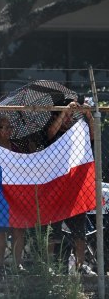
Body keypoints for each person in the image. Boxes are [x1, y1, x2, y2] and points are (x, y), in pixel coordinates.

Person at [44, 99, 96, 275]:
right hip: (55, 191)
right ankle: (49, 266)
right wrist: (64, 111)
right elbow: (50, 134)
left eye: (71, 115)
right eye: (65, 115)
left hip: (75, 191)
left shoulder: (77, 132)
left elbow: (93, 137)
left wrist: (88, 116)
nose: (69, 118)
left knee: (79, 232)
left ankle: (80, 267)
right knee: (53, 232)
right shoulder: (52, 133)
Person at [0, 114, 28, 274]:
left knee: (18, 229)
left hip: (16, 194)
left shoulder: (16, 148)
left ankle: (17, 265)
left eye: (10, 127)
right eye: (4, 127)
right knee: (1, 231)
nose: (9, 130)